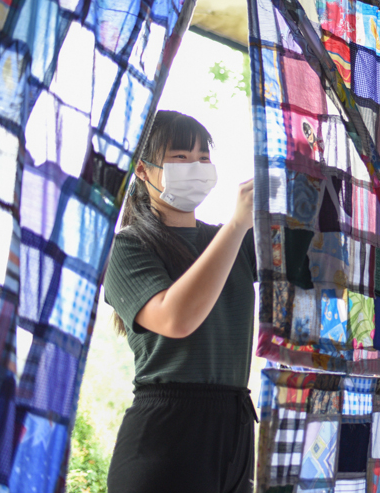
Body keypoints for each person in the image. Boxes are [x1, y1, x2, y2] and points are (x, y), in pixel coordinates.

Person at [103, 110, 257, 493]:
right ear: (142, 170)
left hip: (236, 430)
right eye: (180, 157)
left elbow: (315, 258)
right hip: (167, 434)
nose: (196, 168)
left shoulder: (233, 242)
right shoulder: (128, 246)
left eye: (203, 158)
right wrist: (238, 225)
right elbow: (176, 319)